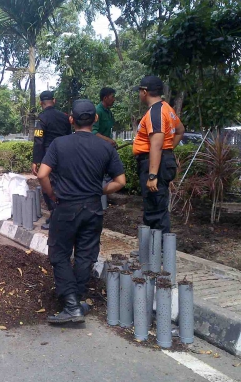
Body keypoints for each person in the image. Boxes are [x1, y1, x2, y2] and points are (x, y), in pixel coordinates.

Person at [37, 99, 126, 324]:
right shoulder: (105, 147)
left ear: (71, 119)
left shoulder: (59, 144)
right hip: (93, 209)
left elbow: (42, 175)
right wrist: (100, 190)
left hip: (66, 208)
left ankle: (71, 306)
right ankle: (76, 300)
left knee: (59, 254)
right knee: (86, 256)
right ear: (95, 119)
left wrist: (53, 195)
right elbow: (121, 181)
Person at [133, 76, 185, 233]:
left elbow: (156, 144)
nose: (139, 95)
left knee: (155, 209)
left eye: (140, 92)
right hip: (161, 160)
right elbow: (180, 130)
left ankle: (159, 252)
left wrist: (152, 175)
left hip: (154, 164)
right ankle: (152, 250)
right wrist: (167, 150)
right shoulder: (167, 109)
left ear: (145, 92)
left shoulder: (155, 112)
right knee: (154, 205)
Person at [32, 90, 72, 230]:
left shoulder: (41, 118)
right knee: (62, 184)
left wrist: (35, 161)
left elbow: (38, 141)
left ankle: (55, 216)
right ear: (54, 101)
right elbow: (69, 135)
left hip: (48, 157)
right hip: (65, 155)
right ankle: (62, 214)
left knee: (47, 185)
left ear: (41, 103)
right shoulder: (64, 117)